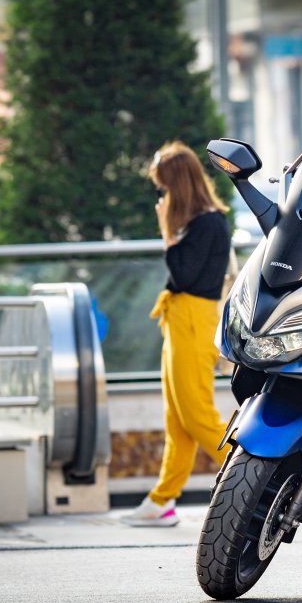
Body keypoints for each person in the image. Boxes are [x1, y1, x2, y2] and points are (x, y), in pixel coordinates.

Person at [122, 141, 232, 527]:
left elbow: (185, 276)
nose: (162, 194)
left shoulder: (206, 223)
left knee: (197, 415)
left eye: (165, 186)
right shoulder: (204, 222)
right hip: (182, 319)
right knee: (177, 418)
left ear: (178, 185)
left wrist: (167, 234)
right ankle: (161, 501)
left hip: (192, 320)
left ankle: (255, 481)